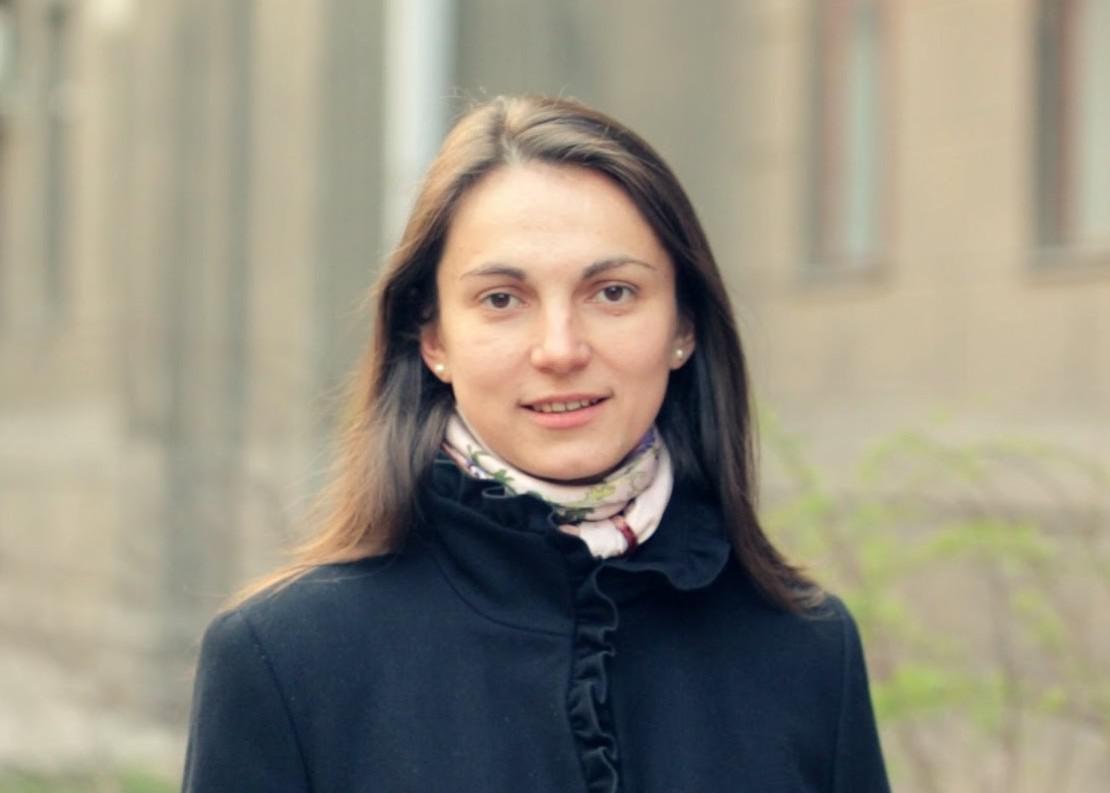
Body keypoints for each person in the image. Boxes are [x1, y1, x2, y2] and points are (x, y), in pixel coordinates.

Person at [181, 95, 891, 793]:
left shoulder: (806, 648)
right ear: (433, 338)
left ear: (684, 326)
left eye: (612, 292)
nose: (560, 349)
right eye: (502, 299)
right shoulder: (285, 661)